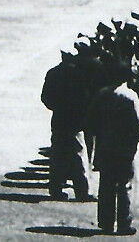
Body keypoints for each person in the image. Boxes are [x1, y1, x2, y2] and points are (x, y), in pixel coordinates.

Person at [87, 61, 139, 235]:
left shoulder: (102, 95)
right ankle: (123, 223)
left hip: (105, 146)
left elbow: (90, 121)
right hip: (124, 149)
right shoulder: (130, 96)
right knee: (124, 186)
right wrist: (136, 141)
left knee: (106, 185)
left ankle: (105, 222)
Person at [42, 50, 92, 202]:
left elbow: (45, 98)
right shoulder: (80, 75)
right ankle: (82, 191)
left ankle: (55, 189)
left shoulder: (53, 73)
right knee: (79, 157)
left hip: (58, 120)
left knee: (57, 156)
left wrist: (58, 107)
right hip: (76, 122)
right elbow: (86, 98)